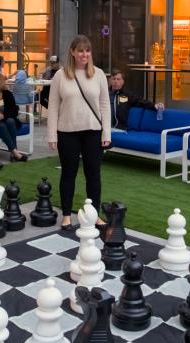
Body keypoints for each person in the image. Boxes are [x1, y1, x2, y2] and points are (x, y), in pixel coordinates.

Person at [47, 35, 111, 230]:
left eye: (87, 50)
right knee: (68, 174)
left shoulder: (98, 74)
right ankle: (66, 215)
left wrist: (106, 133)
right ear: (73, 52)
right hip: (67, 132)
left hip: (93, 131)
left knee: (93, 175)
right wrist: (52, 135)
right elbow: (53, 107)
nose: (84, 54)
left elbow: (105, 105)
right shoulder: (60, 75)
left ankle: (95, 214)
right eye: (81, 50)